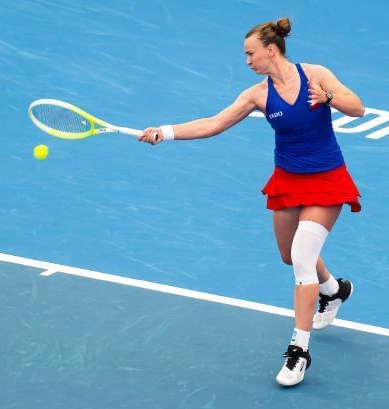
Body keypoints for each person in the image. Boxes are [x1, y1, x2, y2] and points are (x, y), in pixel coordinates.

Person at [139, 17, 365, 387]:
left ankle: (299, 351)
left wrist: (329, 98)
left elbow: (358, 108)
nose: (247, 61)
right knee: (289, 255)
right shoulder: (257, 95)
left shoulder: (316, 74)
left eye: (250, 54)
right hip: (288, 179)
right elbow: (212, 124)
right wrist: (164, 132)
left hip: (327, 178)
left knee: (302, 259)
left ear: (270, 50)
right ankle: (334, 290)